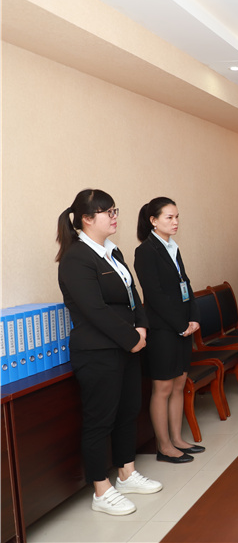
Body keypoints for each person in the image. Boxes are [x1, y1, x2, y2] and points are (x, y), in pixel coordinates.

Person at [56, 189, 161, 516]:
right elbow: (94, 310)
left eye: (115, 210)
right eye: (108, 212)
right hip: (98, 351)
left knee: (128, 411)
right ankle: (101, 490)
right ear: (87, 219)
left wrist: (142, 328)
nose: (114, 217)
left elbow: (133, 295)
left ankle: (126, 473)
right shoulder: (76, 258)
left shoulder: (112, 252)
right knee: (99, 420)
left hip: (127, 345)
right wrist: (132, 338)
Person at [133, 197, 204, 464]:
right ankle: (163, 446)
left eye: (177, 217)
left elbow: (186, 285)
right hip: (163, 329)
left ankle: (177, 439)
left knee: (179, 384)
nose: (175, 222)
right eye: (169, 217)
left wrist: (193, 318)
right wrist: (180, 324)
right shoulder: (146, 251)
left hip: (183, 327)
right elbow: (155, 295)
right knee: (162, 387)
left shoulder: (173, 246)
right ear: (153, 220)